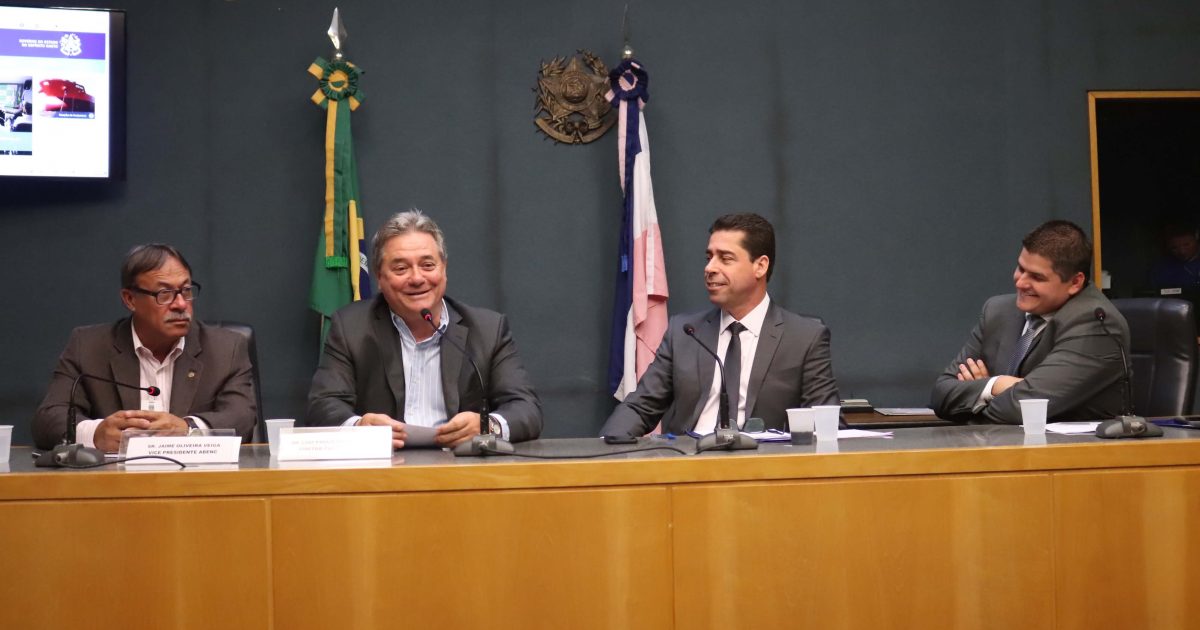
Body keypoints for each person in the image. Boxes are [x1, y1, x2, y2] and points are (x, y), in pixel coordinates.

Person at [306, 209, 542, 448]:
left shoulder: (488, 330)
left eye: (428, 265)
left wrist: (487, 426)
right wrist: (359, 427)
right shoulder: (351, 328)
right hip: (385, 464)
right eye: (401, 269)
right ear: (379, 277)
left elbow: (526, 409)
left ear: (444, 269)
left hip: (460, 464)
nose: (417, 278)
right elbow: (322, 406)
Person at [601, 213, 839, 437]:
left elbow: (827, 424)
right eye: (709, 258)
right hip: (689, 460)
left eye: (725, 259)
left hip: (763, 463)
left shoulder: (804, 338)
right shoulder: (684, 333)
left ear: (760, 266)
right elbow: (640, 407)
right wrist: (604, 449)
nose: (710, 268)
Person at [32, 244, 257, 451]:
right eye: (164, 294)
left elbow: (242, 417)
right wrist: (95, 434)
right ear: (130, 299)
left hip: (196, 477)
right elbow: (48, 420)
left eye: (186, 290)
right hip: (116, 478)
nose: (181, 304)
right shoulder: (88, 346)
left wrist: (188, 429)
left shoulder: (226, 349)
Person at [930, 220, 1129, 423]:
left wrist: (979, 394)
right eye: (1021, 268)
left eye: (1037, 277)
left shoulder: (1095, 323)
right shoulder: (998, 311)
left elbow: (1025, 408)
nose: (1020, 282)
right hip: (997, 440)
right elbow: (941, 393)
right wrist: (996, 384)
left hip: (1069, 444)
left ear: (1075, 282)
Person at [1148, 223, 1200, 289]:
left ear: (1196, 237)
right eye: (1174, 248)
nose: (1182, 252)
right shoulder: (1160, 269)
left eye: (1186, 245)